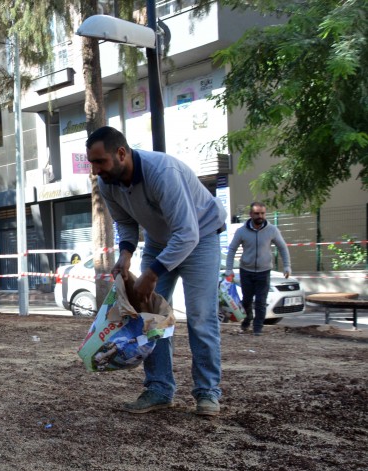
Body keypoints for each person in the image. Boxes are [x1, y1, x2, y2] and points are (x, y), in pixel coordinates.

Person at [86, 126, 227, 417]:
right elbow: (125, 223)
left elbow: (187, 234)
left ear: (121, 153)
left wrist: (152, 274)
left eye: (100, 162)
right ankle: (159, 389)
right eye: (92, 163)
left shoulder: (161, 173)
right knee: (152, 318)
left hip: (200, 237)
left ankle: (207, 393)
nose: (96, 170)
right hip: (159, 240)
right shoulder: (107, 184)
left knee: (201, 316)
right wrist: (125, 255)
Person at [226, 202, 291, 335]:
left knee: (261, 301)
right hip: (246, 271)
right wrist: (229, 269)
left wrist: (287, 266)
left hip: (264, 271)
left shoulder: (272, 230)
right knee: (247, 300)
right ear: (251, 214)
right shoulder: (241, 231)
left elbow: (282, 247)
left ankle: (257, 328)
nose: (260, 216)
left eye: (262, 213)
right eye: (256, 213)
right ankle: (248, 317)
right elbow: (232, 249)